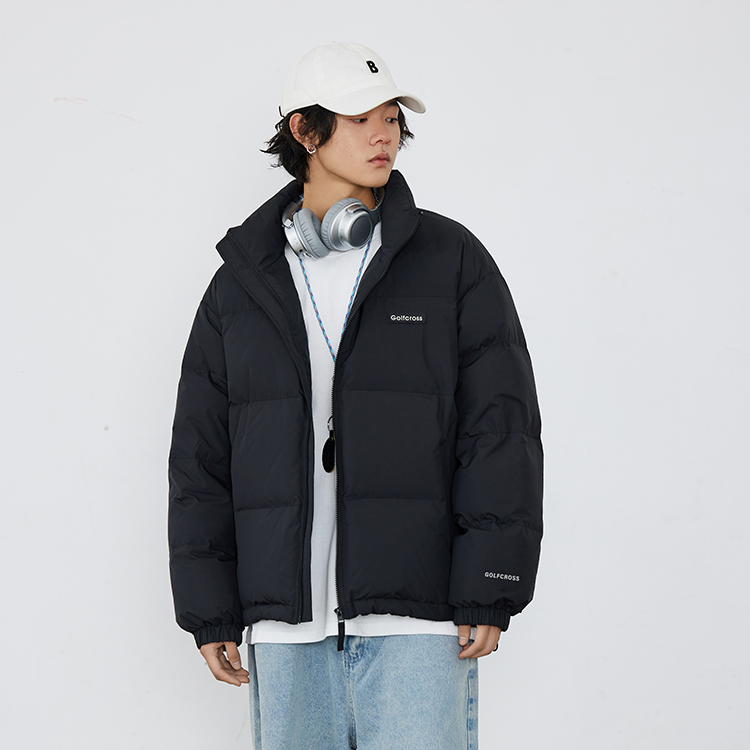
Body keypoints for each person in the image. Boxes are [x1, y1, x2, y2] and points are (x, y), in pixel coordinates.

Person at [168, 41, 543, 749]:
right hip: (286, 628)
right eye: (359, 118)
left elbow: (501, 432)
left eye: (391, 118)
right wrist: (210, 608)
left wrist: (489, 584)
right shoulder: (241, 285)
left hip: (420, 620)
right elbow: (201, 458)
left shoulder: (451, 261)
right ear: (305, 132)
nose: (383, 135)